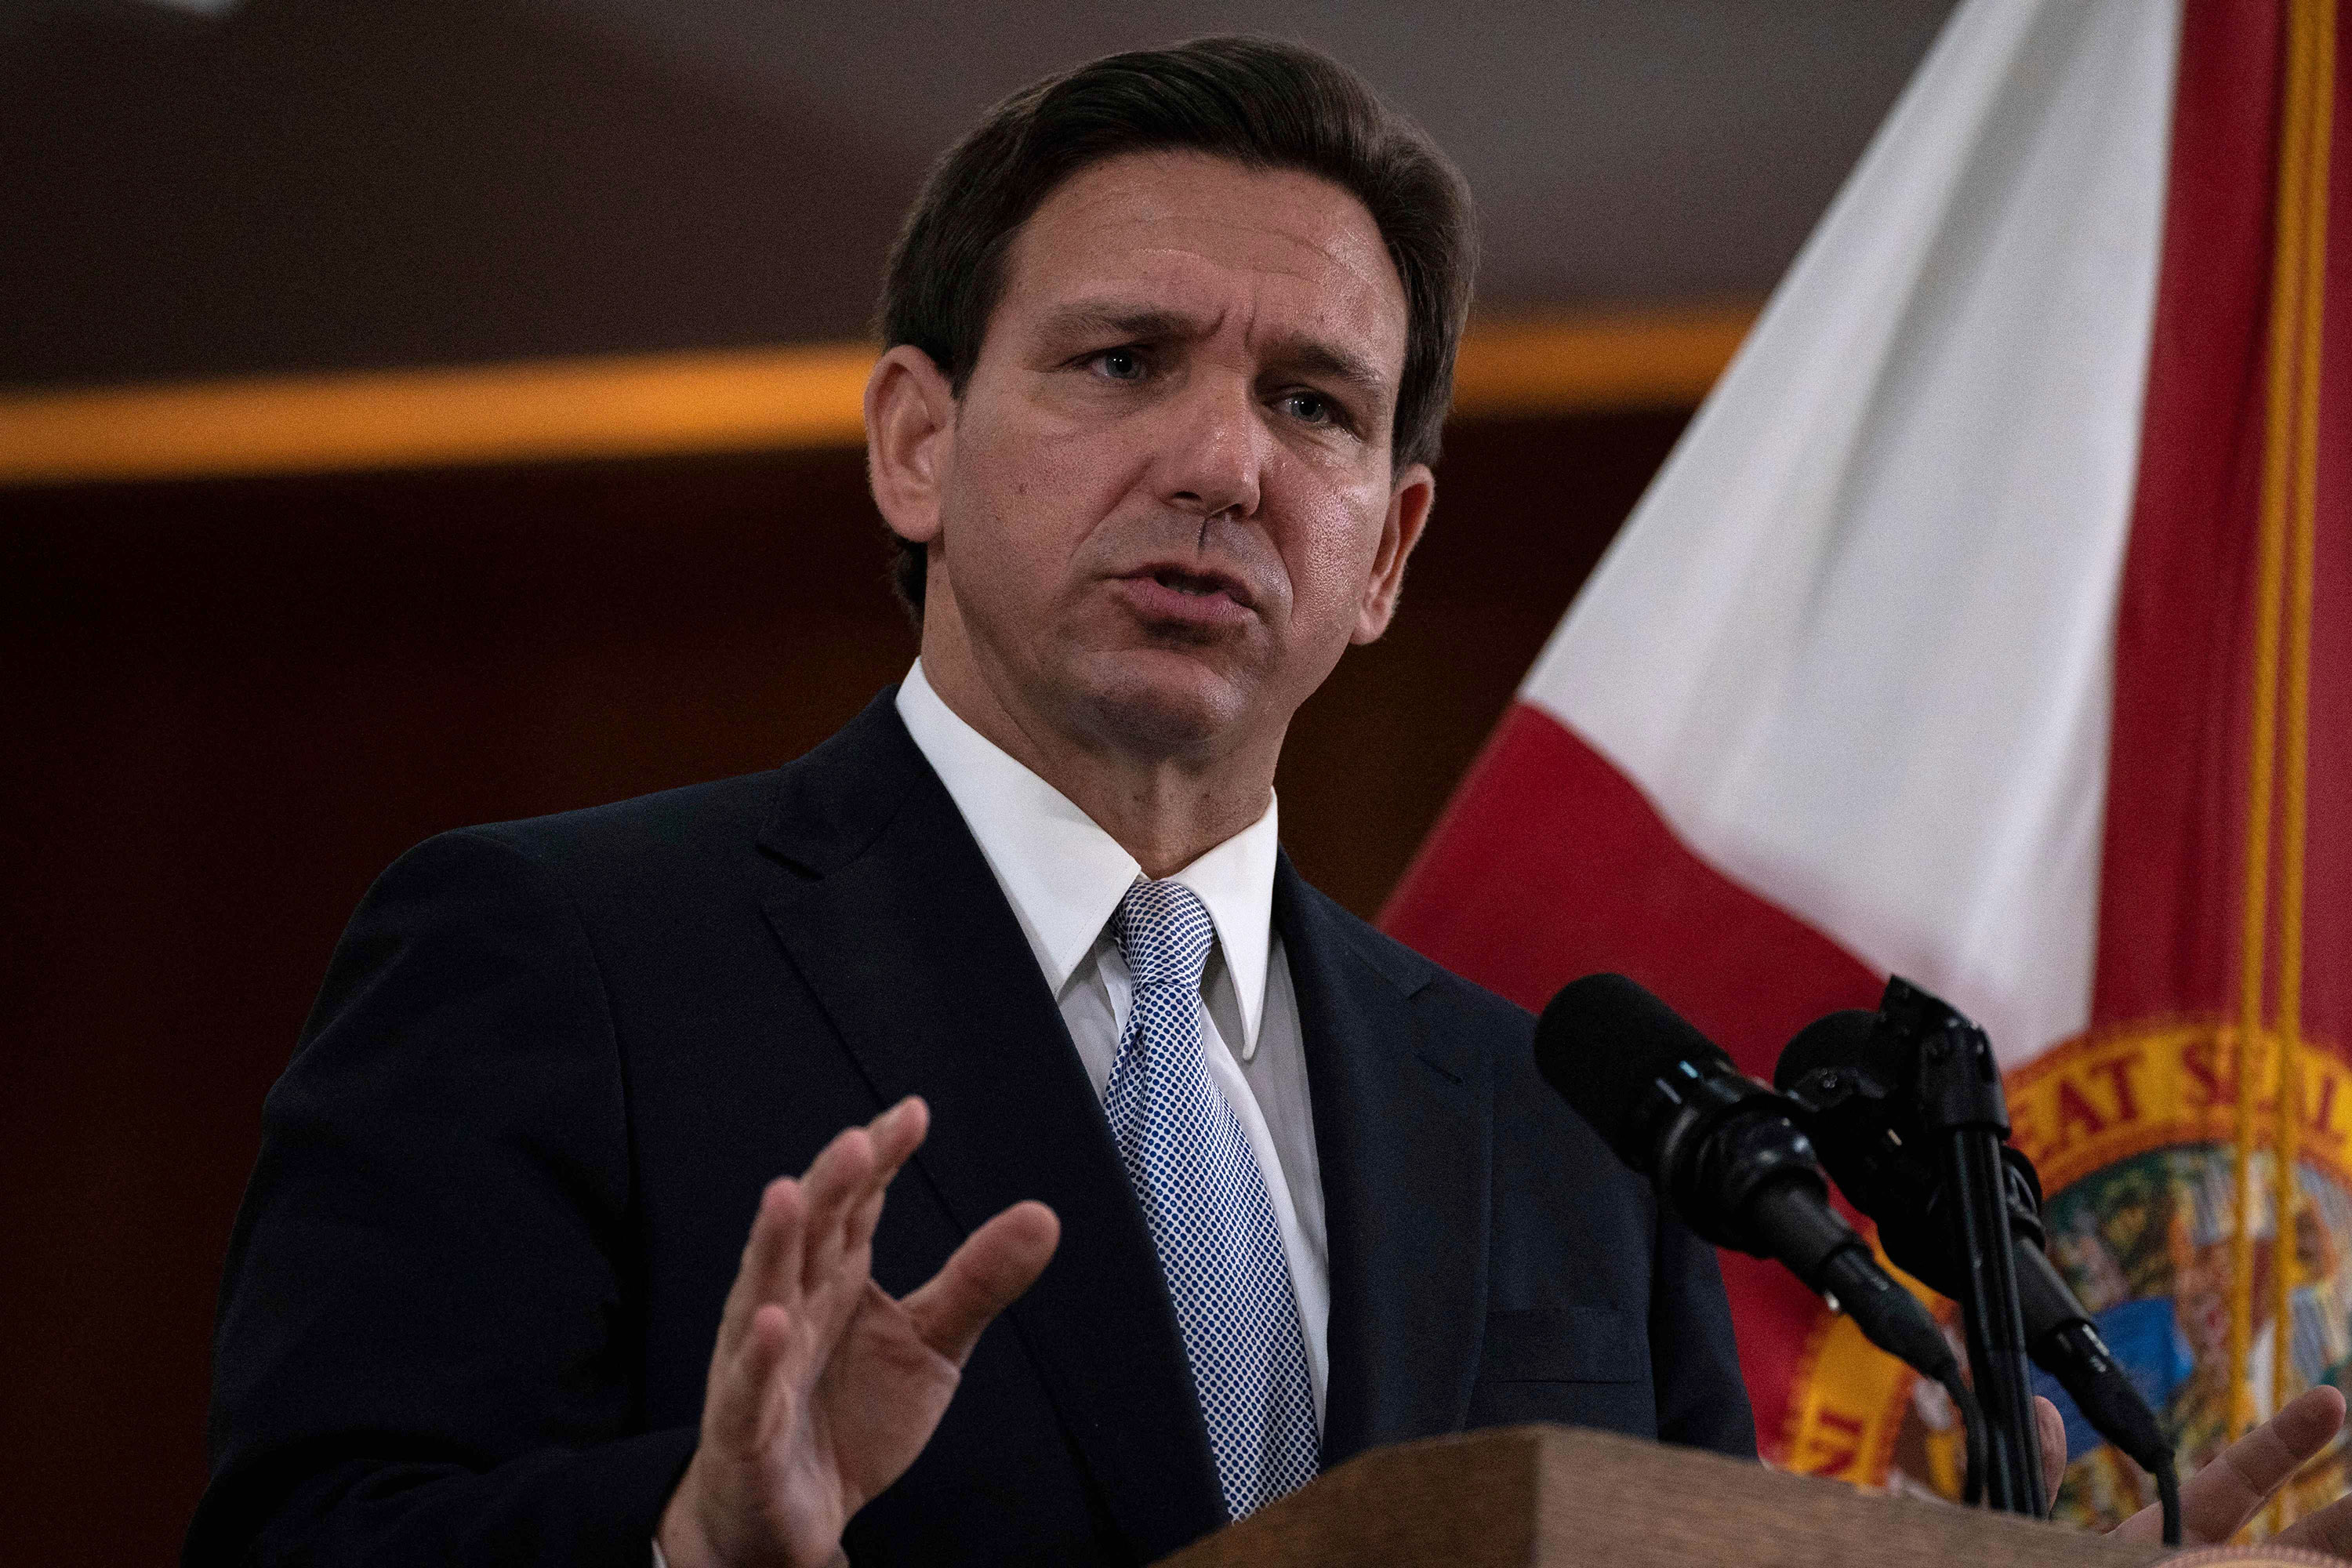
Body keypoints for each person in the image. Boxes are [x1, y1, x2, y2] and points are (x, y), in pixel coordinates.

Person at [190, 36, 2352, 1568]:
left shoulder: (1566, 1123)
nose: (1224, 463)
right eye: (1125, 362)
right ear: (917, 447)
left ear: (1389, 549)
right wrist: (687, 1542)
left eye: (1310, 403)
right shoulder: (563, 956)